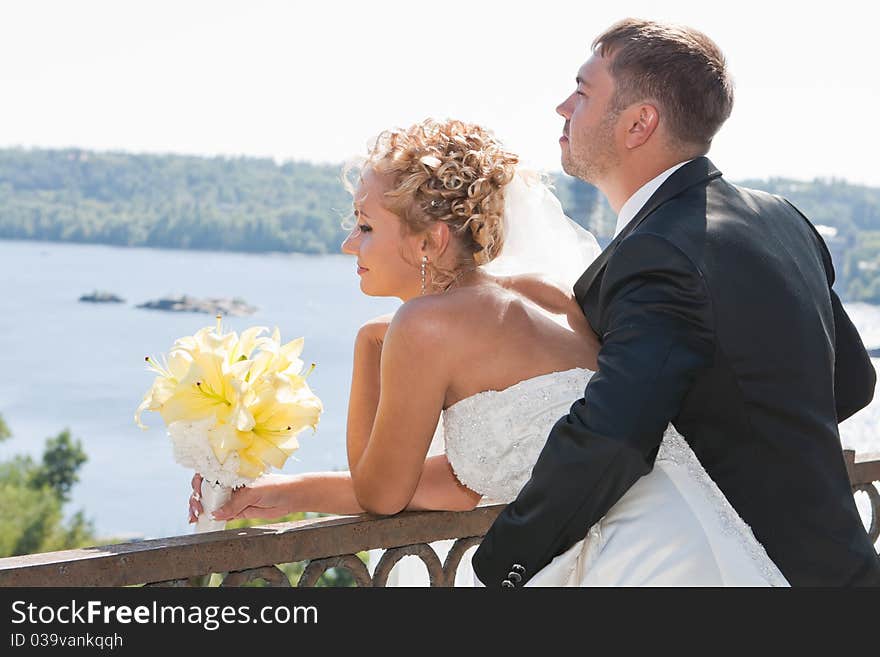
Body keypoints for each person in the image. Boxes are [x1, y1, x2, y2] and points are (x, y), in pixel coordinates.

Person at [188, 117, 789, 586]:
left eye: (366, 226)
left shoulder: (422, 327)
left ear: (432, 240)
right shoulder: (548, 297)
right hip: (685, 529)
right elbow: (470, 480)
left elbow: (380, 494)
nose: (350, 244)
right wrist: (278, 492)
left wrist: (369, 345)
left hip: (626, 561)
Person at [472, 18, 880, 588]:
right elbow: (854, 383)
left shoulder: (656, 251)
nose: (563, 107)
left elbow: (614, 436)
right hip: (845, 564)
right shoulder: (779, 216)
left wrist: (500, 566)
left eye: (583, 91)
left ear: (640, 123)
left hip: (755, 575)